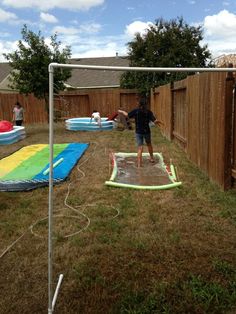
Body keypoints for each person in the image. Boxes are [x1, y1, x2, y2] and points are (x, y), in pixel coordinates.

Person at [118, 98, 162, 167]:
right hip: (146, 131)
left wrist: (121, 111)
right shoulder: (148, 112)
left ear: (139, 104)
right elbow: (154, 120)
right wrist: (158, 122)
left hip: (138, 132)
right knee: (149, 144)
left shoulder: (136, 111)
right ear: (146, 104)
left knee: (140, 148)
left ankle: (139, 164)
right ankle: (152, 158)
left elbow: (127, 115)